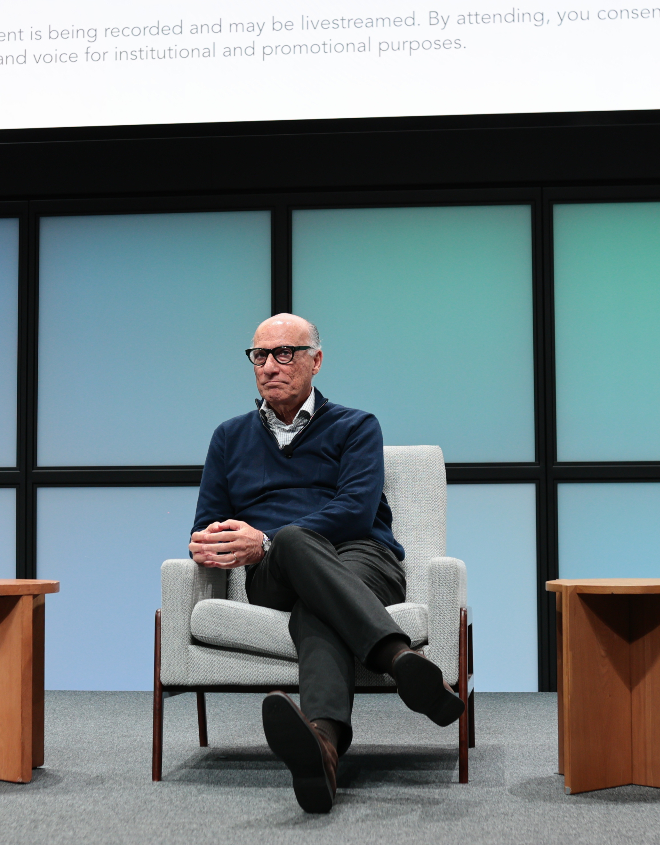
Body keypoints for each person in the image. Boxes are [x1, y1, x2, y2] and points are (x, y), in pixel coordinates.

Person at [189, 314, 465, 813]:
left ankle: (323, 747)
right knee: (292, 543)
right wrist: (210, 545)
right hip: (274, 575)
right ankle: (401, 662)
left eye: (285, 353)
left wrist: (268, 538)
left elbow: (357, 510)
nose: (271, 366)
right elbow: (209, 521)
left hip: (363, 558)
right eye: (260, 356)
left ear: (316, 360)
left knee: (315, 603)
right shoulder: (229, 437)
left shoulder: (356, 426)